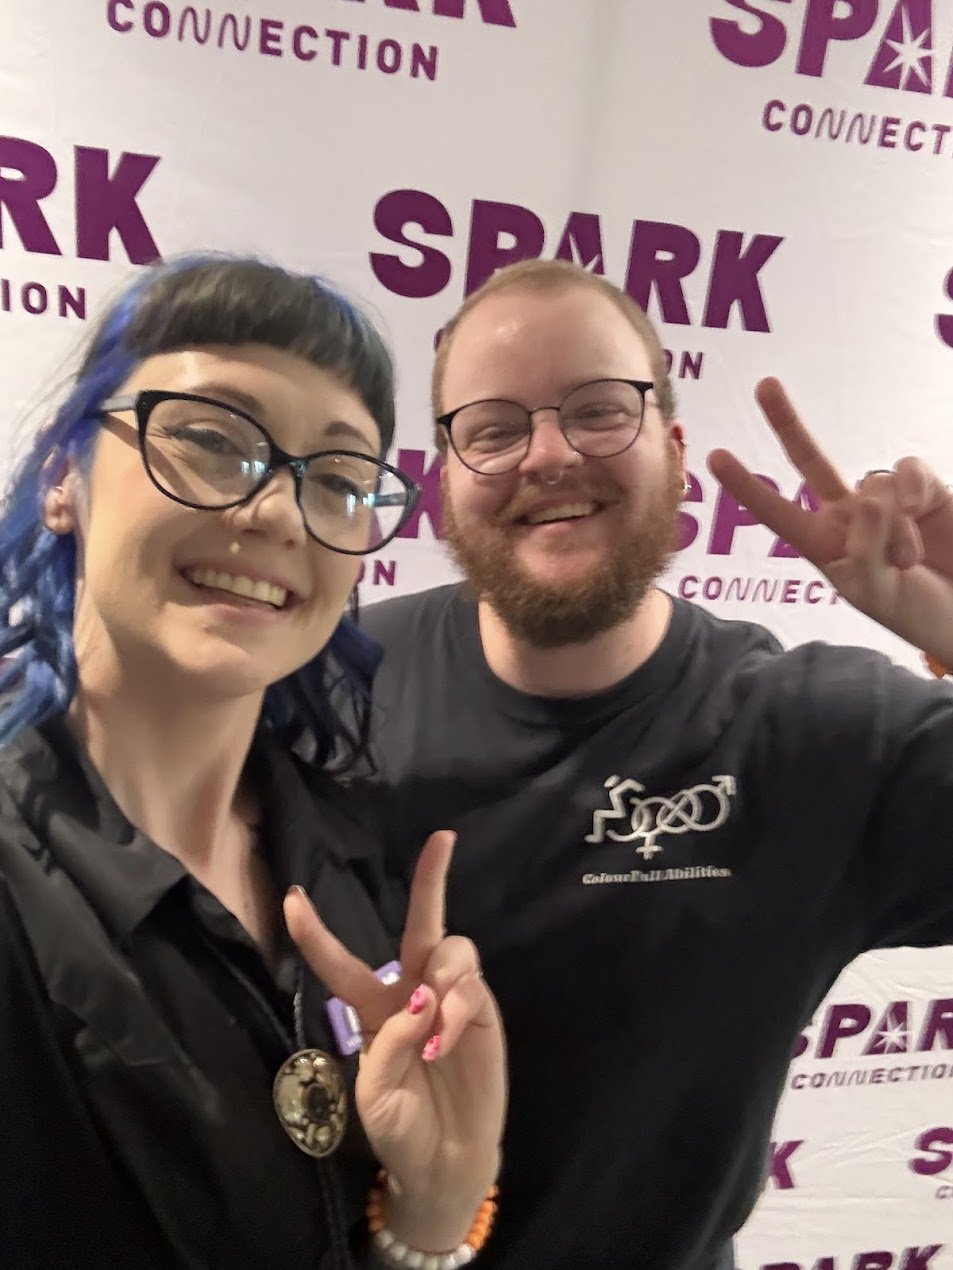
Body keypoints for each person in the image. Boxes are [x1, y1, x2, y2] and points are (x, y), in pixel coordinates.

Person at [360, 258, 953, 1270]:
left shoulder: (814, 736)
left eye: (598, 409)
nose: (546, 454)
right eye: (493, 428)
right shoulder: (326, 690)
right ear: (444, 477)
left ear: (672, 451)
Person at [0, 254, 505, 1270]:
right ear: (64, 475)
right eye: (208, 439)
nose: (277, 512)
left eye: (338, 479)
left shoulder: (359, 858)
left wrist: (435, 1204)